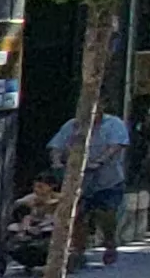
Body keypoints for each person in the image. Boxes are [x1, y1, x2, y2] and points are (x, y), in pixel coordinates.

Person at [50, 105, 132, 266]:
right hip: (80, 180)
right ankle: (79, 250)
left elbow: (115, 147)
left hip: (108, 180)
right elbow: (57, 145)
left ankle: (110, 243)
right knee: (79, 215)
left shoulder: (114, 124)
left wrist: (100, 161)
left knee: (106, 214)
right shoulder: (72, 125)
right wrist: (56, 161)